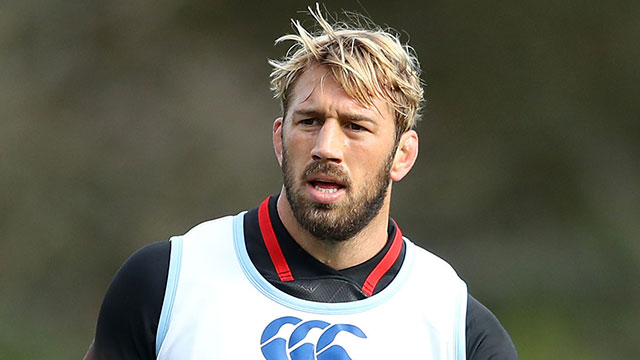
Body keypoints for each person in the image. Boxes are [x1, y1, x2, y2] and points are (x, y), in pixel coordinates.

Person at [85, 5, 517, 360]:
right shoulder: (165, 286)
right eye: (310, 121)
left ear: (402, 155)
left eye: (355, 127)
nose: (326, 146)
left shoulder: (459, 331)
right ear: (279, 138)